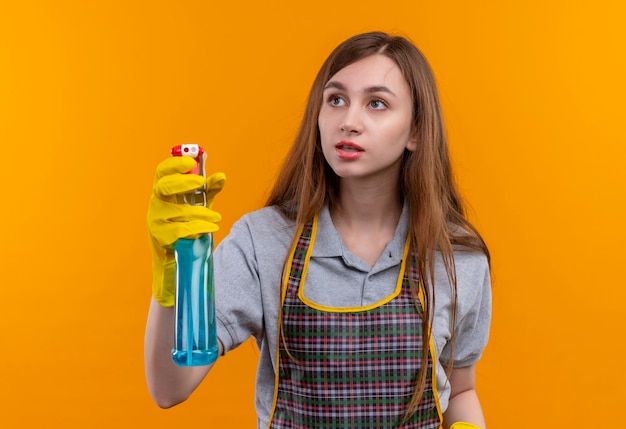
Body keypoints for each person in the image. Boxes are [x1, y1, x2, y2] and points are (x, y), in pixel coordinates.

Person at [145, 31, 492, 429]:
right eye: (336, 100)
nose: (348, 121)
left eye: (376, 103)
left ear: (415, 131)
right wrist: (175, 278)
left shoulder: (457, 256)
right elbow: (169, 389)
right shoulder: (263, 243)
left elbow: (461, 390)